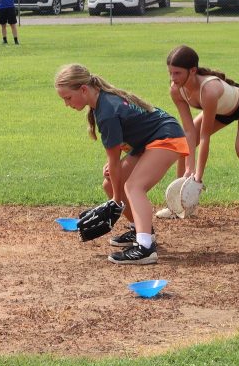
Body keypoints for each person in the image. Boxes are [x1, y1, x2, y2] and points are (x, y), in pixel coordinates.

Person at [54, 63, 189, 265]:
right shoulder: (101, 103)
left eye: (68, 98)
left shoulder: (106, 111)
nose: (66, 103)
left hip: (167, 137)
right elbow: (115, 161)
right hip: (148, 142)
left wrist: (116, 200)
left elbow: (115, 161)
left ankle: (145, 248)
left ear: (83, 89)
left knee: (133, 186)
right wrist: (114, 194)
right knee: (110, 183)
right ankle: (141, 231)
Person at [162, 45, 239, 225]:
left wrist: (197, 178)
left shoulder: (209, 90)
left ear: (193, 70)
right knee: (182, 141)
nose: (173, 78)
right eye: (170, 73)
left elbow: (204, 137)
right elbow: (188, 131)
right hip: (222, 110)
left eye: (177, 73)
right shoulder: (176, 90)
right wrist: (188, 169)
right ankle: (177, 204)